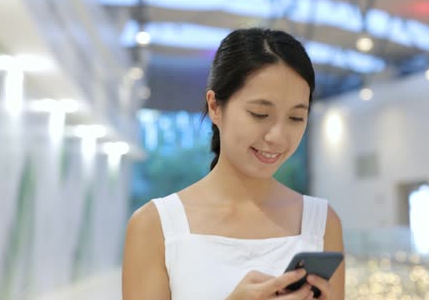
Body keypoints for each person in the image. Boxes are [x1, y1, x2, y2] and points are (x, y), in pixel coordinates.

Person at [122, 28, 345, 299]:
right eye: (259, 114)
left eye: (296, 118)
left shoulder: (322, 223)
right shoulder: (155, 225)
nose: (277, 137)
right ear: (215, 106)